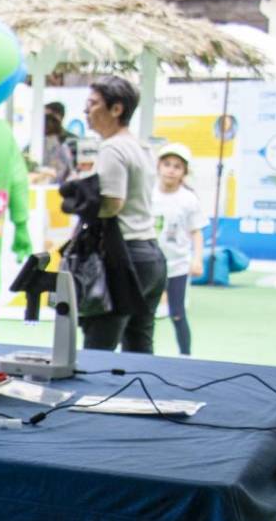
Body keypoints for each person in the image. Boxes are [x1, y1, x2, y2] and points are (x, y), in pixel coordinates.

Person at [80, 76, 166, 353]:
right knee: (139, 345)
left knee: (98, 347)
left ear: (116, 109)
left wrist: (81, 200)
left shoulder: (112, 148)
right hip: (150, 254)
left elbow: (112, 203)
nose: (86, 110)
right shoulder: (141, 147)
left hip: (122, 255)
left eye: (93, 104)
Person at [152, 143, 206, 356]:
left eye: (177, 166)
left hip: (177, 266)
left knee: (177, 313)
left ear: (184, 172)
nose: (171, 170)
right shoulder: (149, 194)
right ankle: (139, 354)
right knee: (143, 314)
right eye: (167, 164)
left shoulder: (188, 199)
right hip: (150, 265)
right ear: (158, 166)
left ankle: (186, 355)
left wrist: (197, 259)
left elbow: (196, 232)